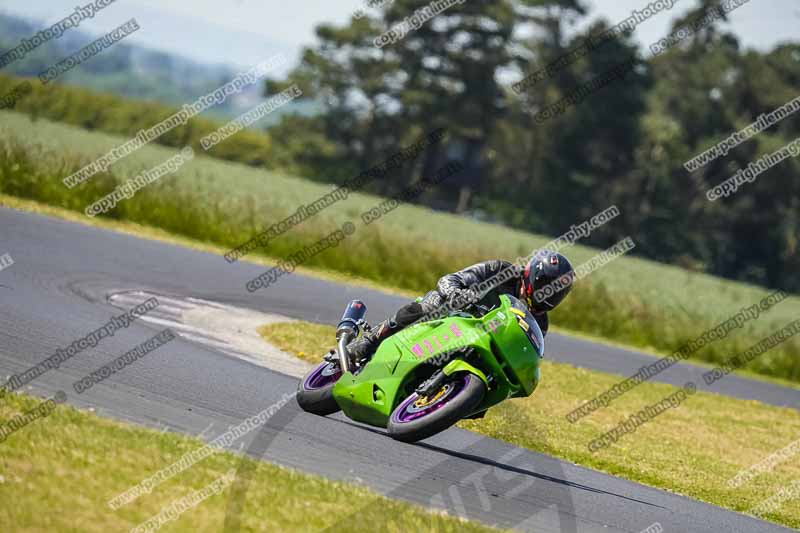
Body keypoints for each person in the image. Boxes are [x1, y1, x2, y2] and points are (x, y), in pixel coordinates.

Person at [348, 250, 575, 359]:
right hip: (454, 318)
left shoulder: (540, 323)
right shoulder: (501, 271)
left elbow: (525, 353)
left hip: (479, 345)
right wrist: (456, 294)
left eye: (558, 290)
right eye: (548, 284)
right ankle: (372, 339)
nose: (551, 292)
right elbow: (450, 279)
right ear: (533, 274)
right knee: (432, 303)